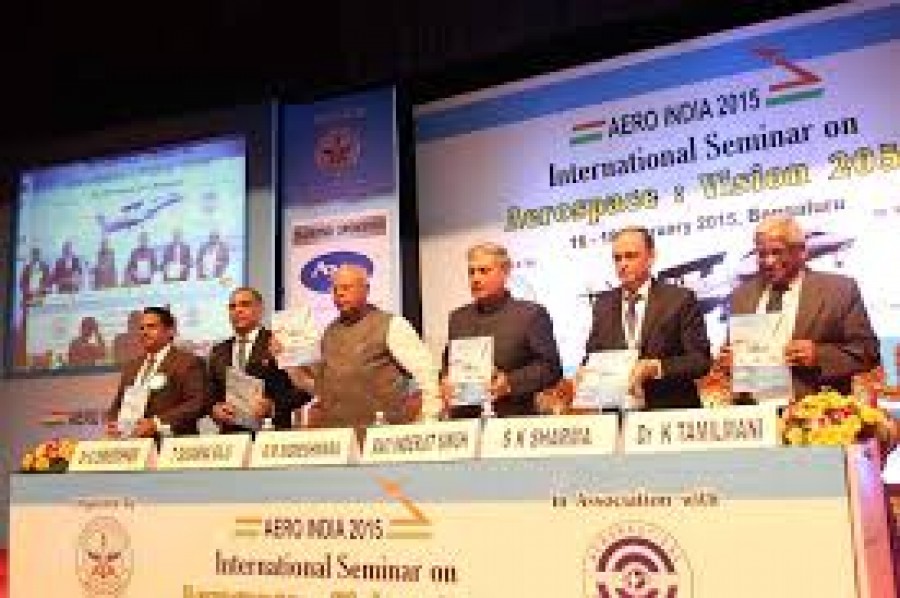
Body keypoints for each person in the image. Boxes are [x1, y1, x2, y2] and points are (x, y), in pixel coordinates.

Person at [720, 215, 879, 399]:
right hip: (754, 409)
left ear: (802, 251)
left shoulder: (839, 291)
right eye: (762, 254)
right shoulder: (741, 295)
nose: (768, 261)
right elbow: (736, 353)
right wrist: (729, 363)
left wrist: (818, 355)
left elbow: (868, 351)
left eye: (777, 252)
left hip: (814, 410)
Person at [283, 265, 439, 433]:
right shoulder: (328, 333)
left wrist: (428, 420)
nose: (339, 294)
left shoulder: (392, 325)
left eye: (346, 288)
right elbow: (319, 388)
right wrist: (288, 360)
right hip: (339, 437)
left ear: (366, 290)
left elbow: (426, 373)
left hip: (382, 435)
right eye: (335, 290)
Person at [582, 226, 712, 409]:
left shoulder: (679, 299)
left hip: (668, 409)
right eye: (617, 258)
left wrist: (657, 367)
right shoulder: (603, 304)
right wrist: (585, 371)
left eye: (630, 256)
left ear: (651, 257)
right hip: (618, 412)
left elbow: (700, 360)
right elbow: (593, 355)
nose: (622, 264)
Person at [441, 243, 562, 418]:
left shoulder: (530, 314)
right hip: (464, 420)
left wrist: (509, 383)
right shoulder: (458, 318)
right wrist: (445, 380)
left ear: (505, 272)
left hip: (512, 420)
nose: (475, 278)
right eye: (471, 272)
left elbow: (551, 368)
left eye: (484, 271)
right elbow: (448, 365)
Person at [208, 287, 311, 432]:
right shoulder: (219, 351)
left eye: (245, 304)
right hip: (231, 435)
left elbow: (304, 390)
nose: (238, 310)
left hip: (271, 434)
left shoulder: (280, 342)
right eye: (232, 307)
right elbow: (210, 394)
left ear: (260, 309)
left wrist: (273, 406)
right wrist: (214, 409)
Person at [106, 306, 206, 437]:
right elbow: (118, 403)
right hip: (132, 441)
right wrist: (113, 422)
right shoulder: (132, 366)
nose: (144, 332)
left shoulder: (187, 362)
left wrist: (156, 423)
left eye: (151, 327)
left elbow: (196, 403)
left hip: (171, 442)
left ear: (170, 331)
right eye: (141, 328)